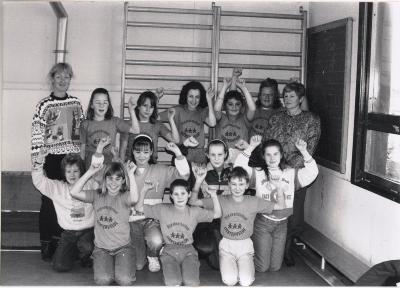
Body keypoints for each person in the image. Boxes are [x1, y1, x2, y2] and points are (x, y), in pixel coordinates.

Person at [191, 166, 287, 286]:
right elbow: (193, 202)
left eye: (241, 184)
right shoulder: (221, 199)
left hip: (245, 246)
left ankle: (244, 264)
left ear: (247, 185)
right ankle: (228, 263)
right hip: (226, 246)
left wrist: (278, 187)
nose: (237, 188)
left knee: (246, 282)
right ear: (229, 185)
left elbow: (281, 206)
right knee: (229, 281)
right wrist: (198, 181)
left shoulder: (253, 201)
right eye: (234, 184)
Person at [235, 135, 319, 272]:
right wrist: (251, 147)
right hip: (263, 224)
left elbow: (312, 172)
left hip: (282, 225)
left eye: (275, 154)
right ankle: (244, 257)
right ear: (263, 156)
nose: (272, 158)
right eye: (268, 154)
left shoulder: (291, 174)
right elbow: (238, 169)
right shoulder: (259, 173)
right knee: (262, 268)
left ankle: (256, 251)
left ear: (281, 155)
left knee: (275, 267)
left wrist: (304, 151)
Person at [263, 81, 321, 266]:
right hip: (275, 171)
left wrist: (289, 170)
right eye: (285, 96)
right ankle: (273, 248)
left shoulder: (311, 120)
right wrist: (274, 167)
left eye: (292, 96)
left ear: (300, 99)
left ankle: (287, 249)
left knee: (294, 216)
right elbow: (267, 142)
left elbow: (310, 148)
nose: (287, 99)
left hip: (297, 174)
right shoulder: (275, 117)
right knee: (275, 211)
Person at [31, 62, 84, 261]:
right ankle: (47, 244)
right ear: (52, 79)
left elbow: (80, 131)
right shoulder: (43, 105)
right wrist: (38, 159)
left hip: (71, 158)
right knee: (49, 200)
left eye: (67, 77)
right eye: (59, 77)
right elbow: (37, 133)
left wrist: (80, 157)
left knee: (70, 198)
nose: (63, 81)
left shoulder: (76, 104)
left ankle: (63, 242)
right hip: (51, 159)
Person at [133, 178, 221, 286]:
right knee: (173, 282)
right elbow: (139, 207)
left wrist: (214, 195)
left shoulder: (195, 211)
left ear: (189, 194)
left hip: (188, 251)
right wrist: (144, 190)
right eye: (176, 194)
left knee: (191, 282)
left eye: (183, 193)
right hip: (169, 251)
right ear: (171, 196)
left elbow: (217, 214)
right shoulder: (162, 209)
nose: (180, 197)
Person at [70, 154, 139, 286]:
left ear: (123, 181)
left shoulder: (125, 196)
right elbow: (74, 192)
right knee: (103, 280)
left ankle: (125, 263)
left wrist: (130, 174)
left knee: (125, 280)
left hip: (123, 247)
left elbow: (135, 199)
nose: (113, 183)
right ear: (105, 179)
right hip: (102, 248)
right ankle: (108, 266)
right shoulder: (97, 195)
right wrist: (90, 171)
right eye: (110, 178)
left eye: (118, 179)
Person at [128, 134, 190, 272]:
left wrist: (178, 153)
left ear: (151, 152)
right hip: (132, 221)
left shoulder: (161, 170)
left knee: (155, 241)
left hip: (152, 219)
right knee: (138, 265)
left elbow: (184, 176)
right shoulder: (127, 170)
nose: (141, 156)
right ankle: (144, 251)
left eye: (145, 152)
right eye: (138, 152)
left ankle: (153, 254)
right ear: (132, 151)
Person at [31, 149, 97, 272]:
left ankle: (85, 255)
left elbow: (103, 182)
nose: (72, 175)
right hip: (68, 234)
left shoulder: (90, 184)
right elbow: (39, 181)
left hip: (88, 232)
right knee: (60, 266)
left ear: (81, 171)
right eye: (69, 171)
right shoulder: (57, 188)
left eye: (76, 171)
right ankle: (75, 252)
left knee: (86, 246)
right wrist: (39, 160)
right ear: (64, 173)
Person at [80, 87, 139, 169]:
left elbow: (136, 130)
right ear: (92, 105)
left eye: (105, 102)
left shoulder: (115, 121)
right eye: (98, 102)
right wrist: (82, 170)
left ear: (108, 105)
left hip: (109, 166)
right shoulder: (85, 124)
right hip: (91, 165)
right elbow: (82, 151)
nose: (102, 105)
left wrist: (132, 110)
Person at [159, 81, 216, 164]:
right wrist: (166, 134)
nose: (194, 100)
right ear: (185, 96)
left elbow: (212, 123)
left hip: (199, 155)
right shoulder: (176, 110)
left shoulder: (202, 111)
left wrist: (209, 101)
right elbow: (155, 117)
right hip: (182, 152)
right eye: (191, 96)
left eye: (197, 97)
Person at [119, 90, 180, 162]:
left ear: (154, 109)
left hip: (151, 166)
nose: (148, 110)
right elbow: (122, 150)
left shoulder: (157, 124)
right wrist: (123, 169)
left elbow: (176, 140)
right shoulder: (129, 124)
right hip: (132, 165)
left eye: (151, 107)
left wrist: (171, 119)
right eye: (145, 106)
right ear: (138, 106)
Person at [213, 70, 256, 164]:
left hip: (241, 161)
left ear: (242, 106)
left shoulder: (245, 119)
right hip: (221, 161)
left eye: (237, 104)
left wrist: (244, 89)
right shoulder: (221, 118)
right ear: (225, 106)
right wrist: (224, 87)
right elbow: (216, 109)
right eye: (230, 104)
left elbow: (252, 109)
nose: (234, 107)